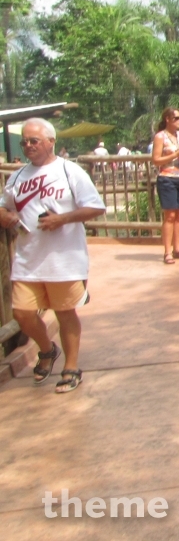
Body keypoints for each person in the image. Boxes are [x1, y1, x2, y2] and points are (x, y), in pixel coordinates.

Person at [0, 118, 106, 393]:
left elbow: (95, 207)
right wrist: (7, 216)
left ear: (51, 141)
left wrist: (62, 219)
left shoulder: (69, 171)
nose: (28, 146)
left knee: (64, 312)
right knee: (22, 313)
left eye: (34, 141)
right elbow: (3, 207)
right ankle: (47, 350)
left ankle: (71, 367)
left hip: (64, 259)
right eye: (24, 141)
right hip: (28, 260)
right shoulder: (17, 177)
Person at [152, 107, 179, 265]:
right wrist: (175, 154)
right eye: (176, 118)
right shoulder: (160, 136)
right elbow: (156, 160)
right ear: (167, 119)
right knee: (169, 215)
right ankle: (167, 251)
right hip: (167, 177)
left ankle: (178, 248)